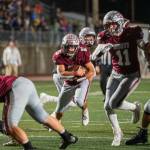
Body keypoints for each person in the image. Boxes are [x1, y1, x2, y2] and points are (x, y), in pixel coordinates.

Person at [91, 10, 150, 146]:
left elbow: (143, 46)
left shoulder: (132, 32)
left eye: (111, 24)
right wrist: (100, 51)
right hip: (116, 73)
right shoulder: (104, 36)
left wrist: (147, 48)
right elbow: (93, 57)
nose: (108, 28)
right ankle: (117, 132)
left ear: (119, 22)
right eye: (107, 25)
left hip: (131, 74)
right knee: (107, 105)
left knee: (114, 103)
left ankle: (135, 107)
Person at [0, 75, 78, 150]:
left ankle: (28, 148)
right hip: (26, 83)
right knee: (44, 117)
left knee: (10, 126)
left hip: (15, 88)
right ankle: (68, 137)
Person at [40, 27, 96, 126]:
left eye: (73, 47)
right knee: (62, 106)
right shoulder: (59, 55)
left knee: (78, 101)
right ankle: (56, 124)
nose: (71, 49)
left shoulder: (83, 50)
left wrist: (85, 79)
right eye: (69, 47)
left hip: (80, 79)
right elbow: (61, 74)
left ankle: (84, 110)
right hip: (64, 79)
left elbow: (91, 71)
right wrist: (75, 74)